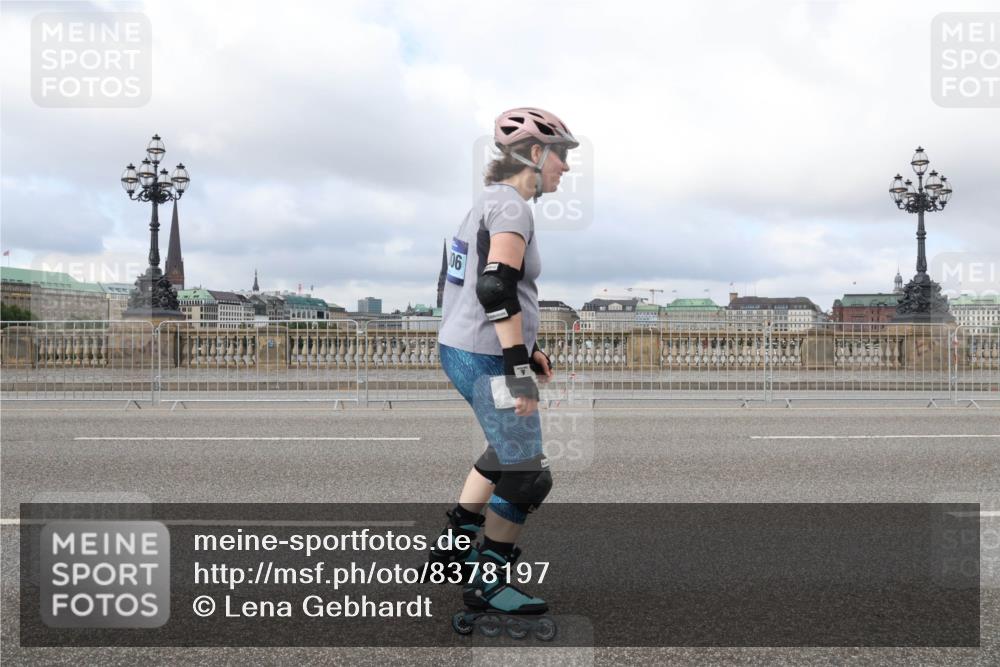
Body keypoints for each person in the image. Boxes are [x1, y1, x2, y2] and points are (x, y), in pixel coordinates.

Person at [434, 107, 578, 620]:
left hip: (464, 347)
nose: (566, 168)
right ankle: (488, 584)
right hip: (487, 358)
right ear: (536, 155)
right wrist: (517, 367)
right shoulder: (514, 209)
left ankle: (453, 549)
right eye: (562, 156)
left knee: (502, 450)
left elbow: (454, 283)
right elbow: (495, 286)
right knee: (526, 473)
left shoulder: (484, 205)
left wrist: (528, 344)